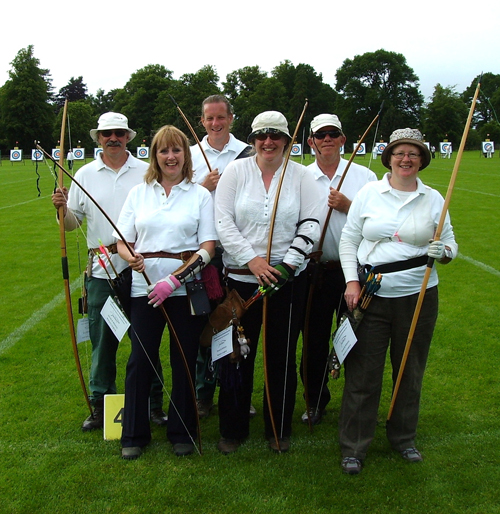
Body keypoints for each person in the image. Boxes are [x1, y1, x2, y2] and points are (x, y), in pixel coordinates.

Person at [338, 128, 458, 475]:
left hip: (418, 296)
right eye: (400, 153)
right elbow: (350, 239)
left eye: (414, 153)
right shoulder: (369, 193)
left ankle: (403, 438)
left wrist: (445, 252)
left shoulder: (434, 198)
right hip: (371, 294)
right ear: (388, 157)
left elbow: (449, 242)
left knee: (410, 369)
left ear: (422, 160)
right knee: (363, 373)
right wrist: (351, 281)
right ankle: (354, 447)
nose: (406, 159)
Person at [51, 112, 168, 431]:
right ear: (98, 138)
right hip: (102, 273)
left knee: (145, 342)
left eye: (119, 132)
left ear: (128, 136)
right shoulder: (85, 175)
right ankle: (100, 406)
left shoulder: (147, 172)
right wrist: (62, 209)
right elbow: (73, 224)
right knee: (103, 344)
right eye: (106, 134)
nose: (112, 138)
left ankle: (153, 404)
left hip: (141, 271)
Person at [214, 111, 321, 454]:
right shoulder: (235, 170)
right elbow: (223, 222)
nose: (268, 141)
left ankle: (278, 427)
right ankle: (233, 429)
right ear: (253, 139)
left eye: (276, 135)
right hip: (241, 282)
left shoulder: (302, 176)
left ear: (287, 139)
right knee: (237, 356)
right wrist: (253, 260)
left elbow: (312, 223)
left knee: (281, 356)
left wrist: (288, 265)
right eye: (261, 135)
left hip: (285, 282)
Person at [115, 125, 216, 459]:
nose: (170, 157)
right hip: (143, 290)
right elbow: (123, 242)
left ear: (185, 155)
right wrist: (133, 259)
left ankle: (182, 430)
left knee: (184, 359)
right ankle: (133, 434)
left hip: (183, 290)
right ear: (154, 156)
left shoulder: (199, 195)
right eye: (163, 151)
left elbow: (207, 248)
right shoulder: (138, 193)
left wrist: (174, 280)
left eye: (177, 150)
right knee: (140, 360)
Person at [301, 114, 377, 425]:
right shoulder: (299, 177)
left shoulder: (365, 177)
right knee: (315, 341)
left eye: (334, 133)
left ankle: (355, 405)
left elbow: (379, 223)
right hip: (316, 272)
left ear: (343, 139)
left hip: (355, 274)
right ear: (311, 141)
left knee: (356, 340)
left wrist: (349, 206)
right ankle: (315, 401)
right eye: (321, 135)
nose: (327, 139)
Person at [190, 94, 252, 419]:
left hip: (240, 255)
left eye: (221, 117)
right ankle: (203, 395)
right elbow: (176, 203)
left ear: (230, 118)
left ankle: (238, 390)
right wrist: (202, 186)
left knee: (238, 325)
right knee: (206, 325)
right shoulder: (187, 157)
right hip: (204, 256)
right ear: (202, 121)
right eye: (209, 118)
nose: (215, 124)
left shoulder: (247, 153)